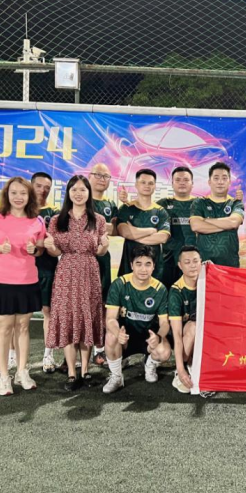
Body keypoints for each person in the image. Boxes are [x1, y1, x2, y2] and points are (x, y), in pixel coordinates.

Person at [0, 177, 46, 396]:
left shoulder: (37, 220)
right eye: (14, 193)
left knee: (23, 327)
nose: (18, 197)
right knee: (4, 327)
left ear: (30, 196)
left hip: (27, 280)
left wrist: (34, 250)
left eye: (23, 193)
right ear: (7, 195)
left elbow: (40, 249)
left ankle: (22, 372)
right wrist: (0, 248)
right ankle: (4, 376)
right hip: (1, 281)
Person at [44, 175, 109, 392]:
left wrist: (104, 246)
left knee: (86, 317)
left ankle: (85, 371)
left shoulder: (98, 220)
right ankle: (72, 373)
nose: (78, 194)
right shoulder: (57, 219)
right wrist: (50, 246)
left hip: (90, 271)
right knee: (68, 319)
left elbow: (100, 250)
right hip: (66, 272)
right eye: (74, 190)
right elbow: (55, 252)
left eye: (82, 190)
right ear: (68, 193)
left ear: (89, 193)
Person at [102, 245, 171, 394]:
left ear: (154, 266)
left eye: (148, 264)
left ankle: (149, 364)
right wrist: (118, 333)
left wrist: (158, 337)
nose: (143, 269)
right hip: (124, 338)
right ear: (131, 265)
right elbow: (110, 319)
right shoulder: (119, 284)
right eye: (138, 264)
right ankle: (116, 376)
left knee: (164, 352)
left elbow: (165, 323)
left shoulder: (160, 289)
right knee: (110, 337)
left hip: (147, 339)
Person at [87, 163, 118, 368]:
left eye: (105, 176)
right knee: (82, 305)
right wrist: (102, 226)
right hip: (81, 260)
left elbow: (115, 229)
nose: (101, 179)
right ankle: (73, 353)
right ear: (89, 177)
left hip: (104, 259)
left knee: (102, 304)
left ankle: (100, 349)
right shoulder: (80, 199)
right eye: (97, 175)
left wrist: (97, 225)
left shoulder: (111, 205)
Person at [117, 169, 171, 280]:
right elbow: (124, 232)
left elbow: (163, 238)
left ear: (155, 186)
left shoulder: (161, 211)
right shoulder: (126, 208)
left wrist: (133, 235)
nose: (147, 186)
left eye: (150, 183)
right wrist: (151, 231)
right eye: (143, 182)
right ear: (136, 185)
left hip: (154, 269)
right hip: (129, 265)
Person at [31, 172, 60, 374]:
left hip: (47, 268)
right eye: (39, 186)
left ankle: (48, 355)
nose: (43, 190)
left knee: (48, 311)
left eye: (47, 187)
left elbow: (56, 242)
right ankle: (13, 357)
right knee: (18, 315)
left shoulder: (55, 213)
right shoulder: (19, 210)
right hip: (20, 269)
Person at [190, 162, 245, 267]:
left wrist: (206, 220)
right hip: (204, 264)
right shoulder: (199, 202)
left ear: (229, 182)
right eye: (216, 178)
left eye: (224, 178)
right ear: (209, 182)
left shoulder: (236, 203)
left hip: (230, 265)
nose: (220, 182)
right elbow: (196, 226)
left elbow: (234, 222)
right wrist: (227, 226)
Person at [169, 245, 201, 394]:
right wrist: (180, 370)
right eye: (187, 262)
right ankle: (181, 369)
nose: (192, 265)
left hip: (202, 336)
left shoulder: (208, 281)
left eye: (195, 261)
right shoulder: (176, 292)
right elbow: (177, 334)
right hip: (183, 339)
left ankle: (195, 364)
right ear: (180, 265)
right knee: (193, 326)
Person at [160, 167, 198, 288]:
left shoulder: (200, 204)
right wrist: (126, 202)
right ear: (172, 183)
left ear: (192, 183)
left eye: (186, 180)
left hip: (194, 263)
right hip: (169, 262)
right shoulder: (162, 204)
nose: (182, 183)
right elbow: (144, 210)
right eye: (178, 180)